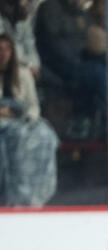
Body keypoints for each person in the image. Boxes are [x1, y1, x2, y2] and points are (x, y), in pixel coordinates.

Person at [0, 32, 57, 206]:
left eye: (7, 49)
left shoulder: (23, 75)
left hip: (21, 122)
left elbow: (33, 106)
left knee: (45, 135)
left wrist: (25, 118)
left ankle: (34, 196)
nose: (3, 53)